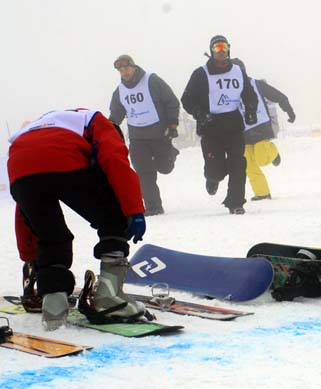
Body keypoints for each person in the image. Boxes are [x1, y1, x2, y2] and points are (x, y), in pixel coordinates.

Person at [8, 109, 147, 330]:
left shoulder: (46, 124)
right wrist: (133, 210)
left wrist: (30, 259)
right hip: (65, 160)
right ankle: (109, 297)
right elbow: (114, 160)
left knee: (50, 235)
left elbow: (24, 215)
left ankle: (53, 307)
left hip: (19, 169)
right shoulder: (98, 122)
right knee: (113, 217)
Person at [181, 35, 258, 215]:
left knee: (237, 164)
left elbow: (249, 93)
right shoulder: (201, 73)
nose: (221, 51)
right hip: (210, 128)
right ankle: (212, 178)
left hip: (233, 126)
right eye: (217, 48)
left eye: (223, 47)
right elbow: (187, 99)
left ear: (229, 49)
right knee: (216, 170)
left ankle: (236, 202)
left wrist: (251, 110)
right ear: (211, 51)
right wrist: (199, 113)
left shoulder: (238, 71)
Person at [109, 54, 180, 216]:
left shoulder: (151, 80)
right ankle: (153, 206)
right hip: (137, 138)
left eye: (126, 68)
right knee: (143, 172)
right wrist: (109, 131)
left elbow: (171, 101)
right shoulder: (119, 91)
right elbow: (116, 115)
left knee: (165, 168)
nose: (124, 72)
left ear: (134, 67)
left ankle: (171, 154)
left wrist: (173, 123)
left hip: (159, 134)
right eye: (121, 70)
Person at [243, 78, 296, 201]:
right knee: (248, 164)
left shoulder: (256, 84)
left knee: (262, 160)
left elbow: (278, 96)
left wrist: (289, 110)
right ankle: (262, 193)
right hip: (242, 131)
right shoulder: (225, 87)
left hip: (260, 126)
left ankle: (273, 151)